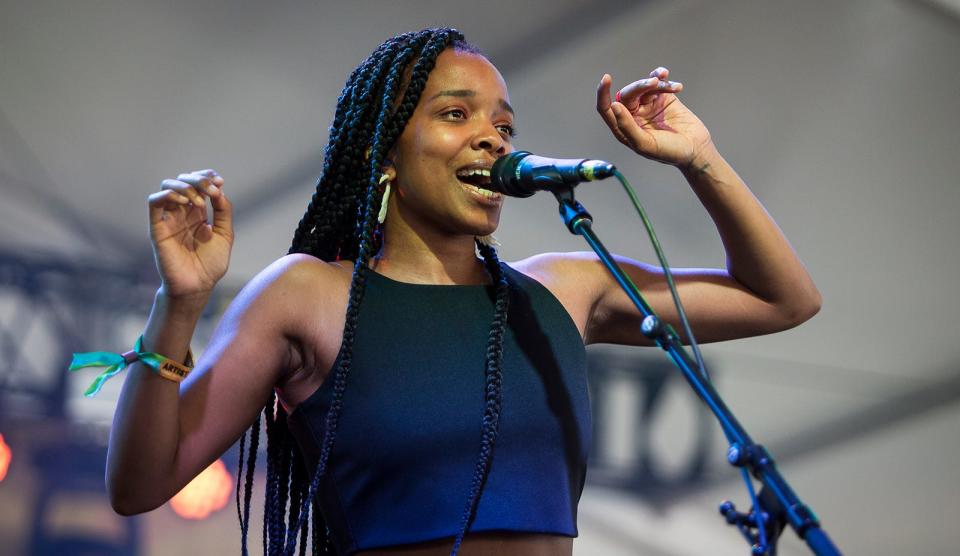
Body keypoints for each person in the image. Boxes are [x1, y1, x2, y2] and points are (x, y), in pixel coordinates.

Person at [101, 28, 820, 556]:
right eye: (456, 115)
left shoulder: (562, 289)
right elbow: (139, 484)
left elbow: (783, 299)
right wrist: (180, 306)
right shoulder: (307, 295)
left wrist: (700, 160)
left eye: (504, 125)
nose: (492, 139)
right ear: (383, 153)